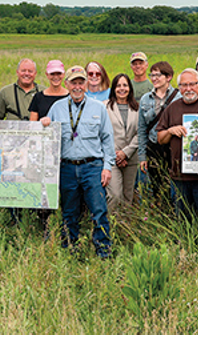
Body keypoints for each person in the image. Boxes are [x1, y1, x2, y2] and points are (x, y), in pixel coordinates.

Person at [43, 65, 116, 258]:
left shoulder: (98, 108)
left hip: (93, 167)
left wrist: (107, 167)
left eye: (81, 82)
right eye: (73, 82)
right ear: (67, 84)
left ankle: (103, 250)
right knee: (69, 212)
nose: (77, 86)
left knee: (99, 210)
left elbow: (108, 139)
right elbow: (46, 138)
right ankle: (70, 249)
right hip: (67, 167)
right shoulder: (57, 108)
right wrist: (43, 126)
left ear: (86, 84)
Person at [156, 68, 198, 252]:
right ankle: (185, 250)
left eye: (192, 84)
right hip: (179, 176)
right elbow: (160, 137)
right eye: (184, 85)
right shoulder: (173, 108)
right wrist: (170, 131)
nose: (188, 88)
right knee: (181, 216)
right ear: (179, 88)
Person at [0, 58, 44, 225]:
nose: (27, 74)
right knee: (12, 179)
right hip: (11, 147)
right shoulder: (5, 92)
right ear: (17, 72)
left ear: (35, 74)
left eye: (30, 71)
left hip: (35, 147)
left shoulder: (43, 92)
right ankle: (14, 218)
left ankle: (35, 217)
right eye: (23, 70)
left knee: (33, 179)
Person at [28, 59, 68, 237]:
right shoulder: (39, 97)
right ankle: (45, 227)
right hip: (44, 153)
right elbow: (32, 126)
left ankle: (66, 224)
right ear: (47, 75)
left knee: (66, 190)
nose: (56, 77)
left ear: (63, 74)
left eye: (59, 73)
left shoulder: (70, 96)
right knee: (44, 190)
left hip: (67, 150)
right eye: (52, 74)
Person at [137, 61, 180, 199]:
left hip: (173, 148)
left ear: (169, 77)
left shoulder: (179, 97)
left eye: (158, 75)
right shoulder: (145, 99)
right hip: (153, 146)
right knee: (157, 187)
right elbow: (142, 129)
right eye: (152, 75)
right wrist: (142, 156)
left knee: (175, 186)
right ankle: (161, 212)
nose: (154, 78)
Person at [105, 74, 140, 211]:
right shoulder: (105, 107)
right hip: (111, 158)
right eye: (118, 85)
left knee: (127, 196)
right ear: (113, 88)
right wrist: (116, 155)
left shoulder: (137, 108)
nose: (122, 88)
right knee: (115, 194)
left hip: (131, 158)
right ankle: (110, 225)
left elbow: (140, 133)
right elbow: (103, 133)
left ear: (130, 88)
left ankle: (124, 227)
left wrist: (125, 153)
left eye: (125, 85)